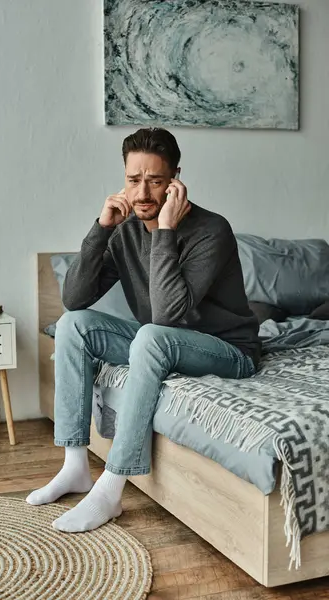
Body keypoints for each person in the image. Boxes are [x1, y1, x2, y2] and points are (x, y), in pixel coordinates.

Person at [26, 128, 261, 533]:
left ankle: (111, 489)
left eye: (155, 180)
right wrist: (101, 228)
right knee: (73, 325)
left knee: (151, 335)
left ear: (175, 180)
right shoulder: (125, 229)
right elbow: (75, 298)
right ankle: (75, 466)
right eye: (134, 180)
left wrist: (166, 230)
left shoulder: (211, 231)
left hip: (227, 350)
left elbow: (167, 315)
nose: (143, 193)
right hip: (166, 343)